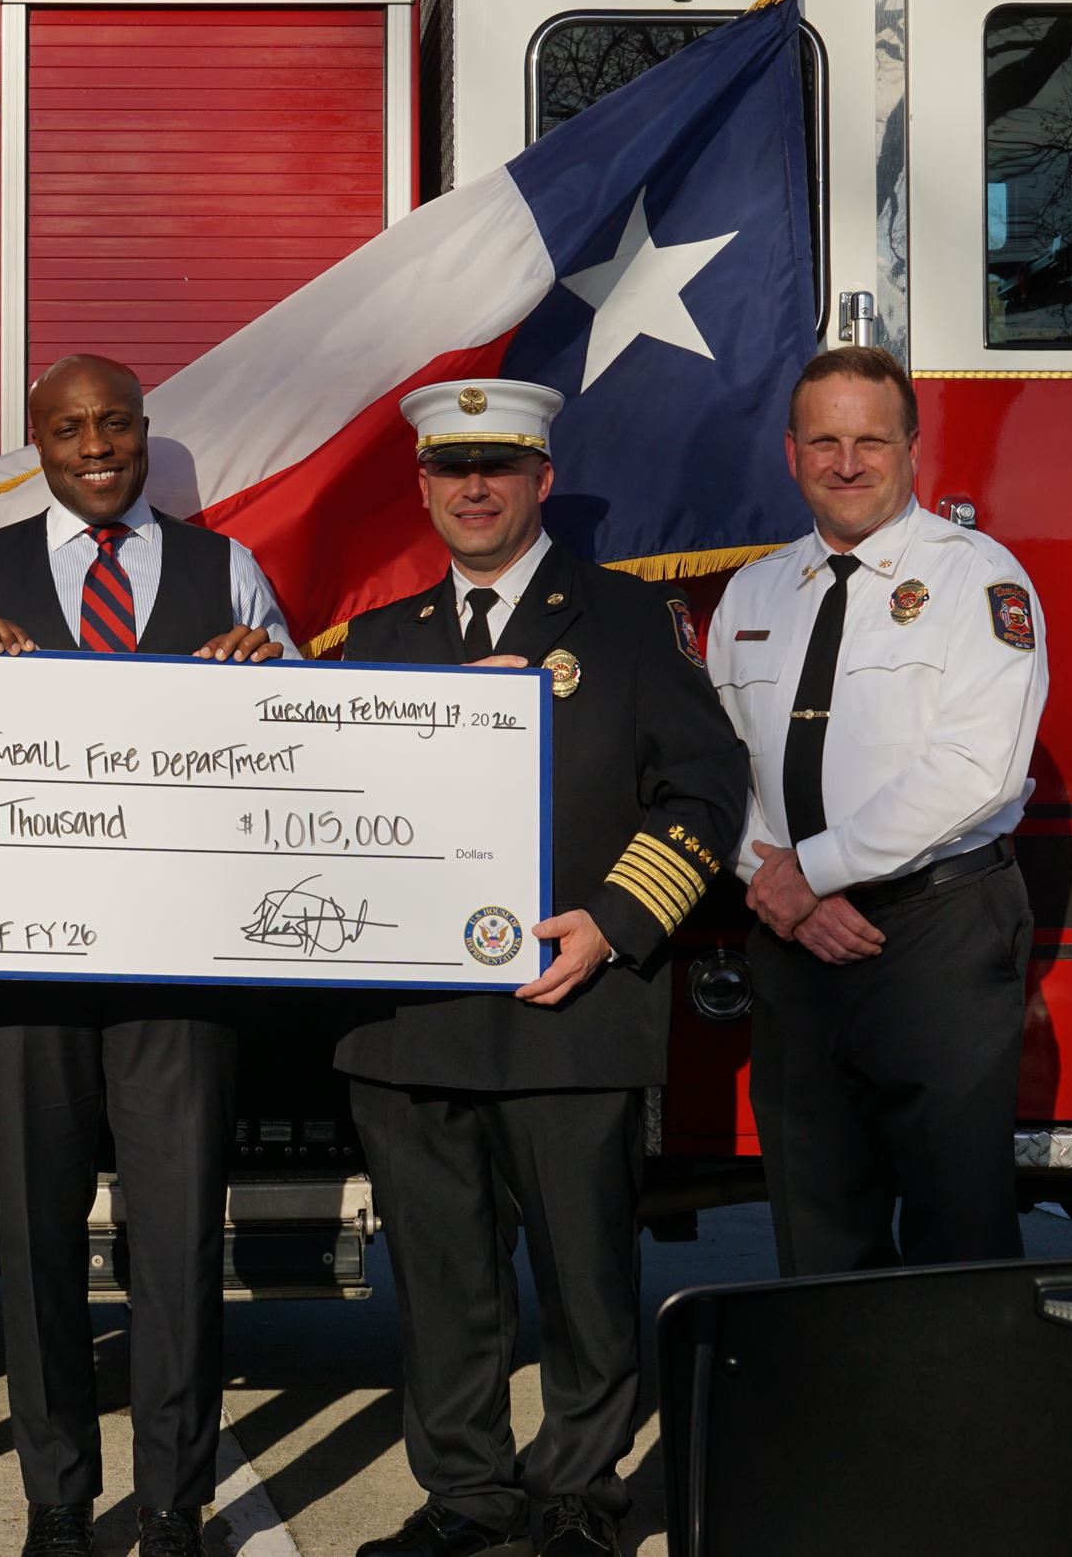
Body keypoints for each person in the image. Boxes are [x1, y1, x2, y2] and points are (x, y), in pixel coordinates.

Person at [337, 380, 746, 1557]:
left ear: (540, 482)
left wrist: (616, 922)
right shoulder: (373, 645)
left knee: (581, 1275)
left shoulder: (627, 624)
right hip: (406, 1020)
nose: (473, 488)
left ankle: (577, 1492)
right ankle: (465, 1493)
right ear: (421, 487)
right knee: (441, 1279)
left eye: (498, 467)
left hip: (573, 1006)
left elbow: (705, 792)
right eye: (450, 469)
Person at [0, 354, 295, 1557]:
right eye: (67, 426)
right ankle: (58, 1505)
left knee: (178, 1240)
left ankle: (173, 1503)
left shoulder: (226, 566)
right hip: (28, 966)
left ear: (142, 432)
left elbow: (292, 739)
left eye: (113, 423)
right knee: (35, 1241)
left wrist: (263, 675)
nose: (92, 444)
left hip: (180, 964)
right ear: (35, 441)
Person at [707, 346, 1048, 1275]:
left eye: (870, 440)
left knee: (957, 1235)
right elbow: (719, 770)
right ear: (791, 453)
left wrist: (811, 874)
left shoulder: (977, 580)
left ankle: (962, 1421)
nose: (847, 462)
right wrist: (779, 886)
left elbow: (977, 769)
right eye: (824, 441)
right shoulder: (755, 591)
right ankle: (840, 1419)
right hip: (795, 945)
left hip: (934, 935)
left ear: (912, 448)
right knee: (817, 1235)